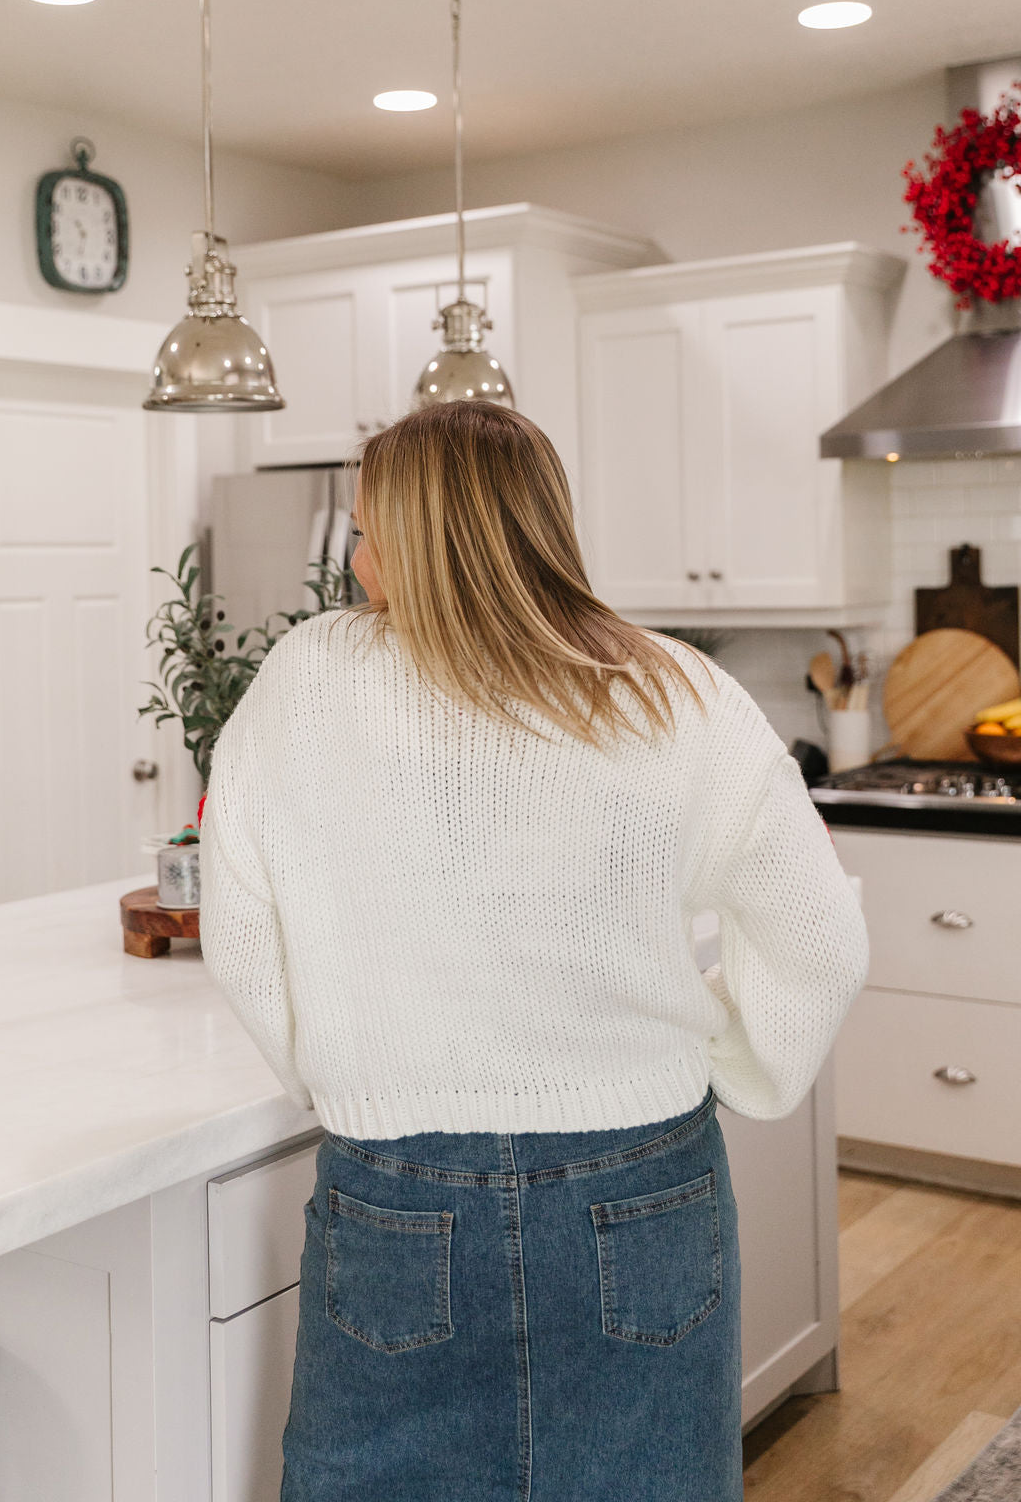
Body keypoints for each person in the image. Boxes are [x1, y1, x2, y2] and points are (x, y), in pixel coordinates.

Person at [198, 398, 869, 1502]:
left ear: (422, 540)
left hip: (395, 1191)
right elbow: (816, 937)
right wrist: (743, 1066)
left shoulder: (306, 684)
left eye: (367, 534)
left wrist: (340, 1072)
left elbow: (242, 935)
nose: (358, 563)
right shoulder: (675, 688)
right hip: (644, 1185)